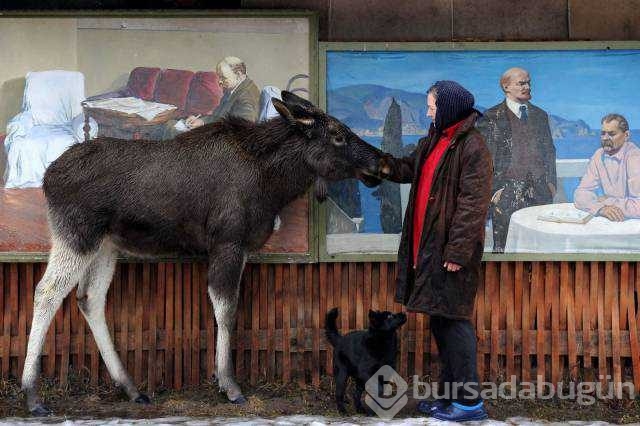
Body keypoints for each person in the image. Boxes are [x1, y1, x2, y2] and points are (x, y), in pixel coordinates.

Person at [382, 81, 493, 421]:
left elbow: (473, 205)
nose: (428, 111)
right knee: (441, 324)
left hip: (451, 255)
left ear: (447, 107)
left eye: (432, 105)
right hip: (428, 250)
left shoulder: (473, 147)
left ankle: (470, 404)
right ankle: (450, 400)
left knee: (454, 325)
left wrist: (458, 253)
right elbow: (406, 168)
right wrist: (375, 165)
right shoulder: (435, 140)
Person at [477, 67, 556, 252]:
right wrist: (494, 190)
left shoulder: (540, 115)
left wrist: (551, 184)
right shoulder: (490, 117)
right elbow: (482, 158)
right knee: (504, 248)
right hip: (506, 193)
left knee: (541, 247)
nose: (527, 86)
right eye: (521, 83)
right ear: (506, 87)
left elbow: (549, 151)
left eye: (528, 82)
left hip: (540, 191)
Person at [163, 56, 260, 139]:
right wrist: (201, 121)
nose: (220, 82)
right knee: (171, 125)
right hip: (216, 131)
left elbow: (240, 130)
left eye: (223, 77)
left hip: (221, 140)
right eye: (219, 77)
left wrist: (204, 127)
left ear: (238, 75)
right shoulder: (234, 88)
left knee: (172, 129)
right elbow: (219, 116)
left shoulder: (247, 96)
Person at [574, 113, 640, 221]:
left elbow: (638, 206)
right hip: (610, 219)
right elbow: (580, 193)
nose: (605, 138)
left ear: (626, 135)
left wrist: (606, 201)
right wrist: (600, 208)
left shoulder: (635, 157)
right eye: (603, 133)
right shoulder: (599, 155)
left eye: (612, 134)